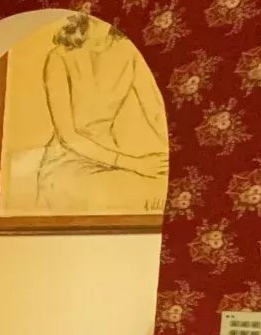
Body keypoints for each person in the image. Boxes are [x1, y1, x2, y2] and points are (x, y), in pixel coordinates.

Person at [34, 13, 168, 211]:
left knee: (162, 189)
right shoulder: (59, 56)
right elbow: (68, 137)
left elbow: (157, 114)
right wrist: (135, 164)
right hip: (67, 163)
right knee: (142, 194)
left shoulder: (130, 52)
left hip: (114, 162)